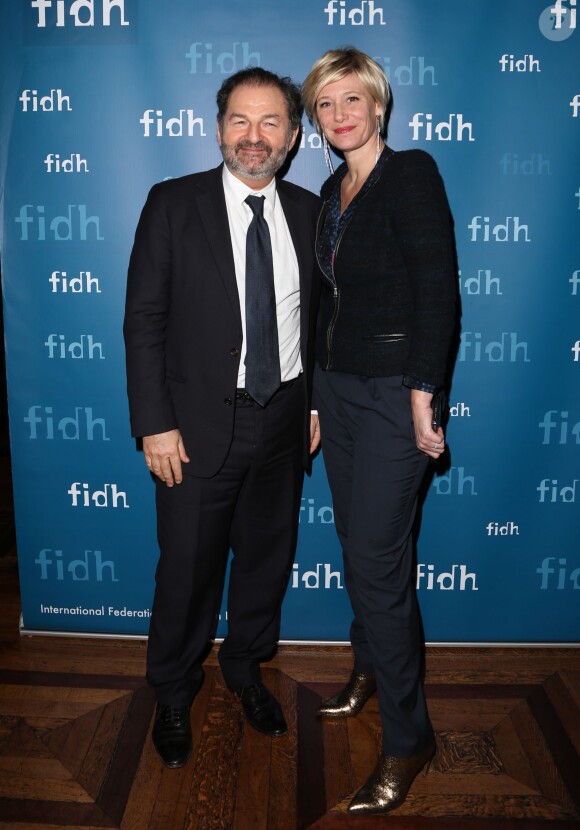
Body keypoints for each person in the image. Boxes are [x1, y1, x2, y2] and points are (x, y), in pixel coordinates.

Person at [124, 67, 321, 769]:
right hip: (196, 428)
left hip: (284, 421)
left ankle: (245, 671)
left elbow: (322, 322)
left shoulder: (309, 211)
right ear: (217, 129)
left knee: (266, 564)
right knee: (186, 570)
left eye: (271, 123)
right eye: (240, 120)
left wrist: (317, 401)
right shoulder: (173, 204)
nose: (254, 136)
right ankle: (173, 691)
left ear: (294, 138)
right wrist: (154, 422)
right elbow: (144, 321)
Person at [302, 48, 457, 814]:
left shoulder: (412, 174)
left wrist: (426, 395)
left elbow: (439, 294)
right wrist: (314, 401)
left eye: (351, 99)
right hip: (338, 391)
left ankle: (409, 737)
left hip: (396, 396)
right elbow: (327, 309)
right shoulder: (333, 188)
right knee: (359, 553)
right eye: (325, 104)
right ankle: (368, 667)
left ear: (378, 104)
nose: (339, 115)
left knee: (376, 560)